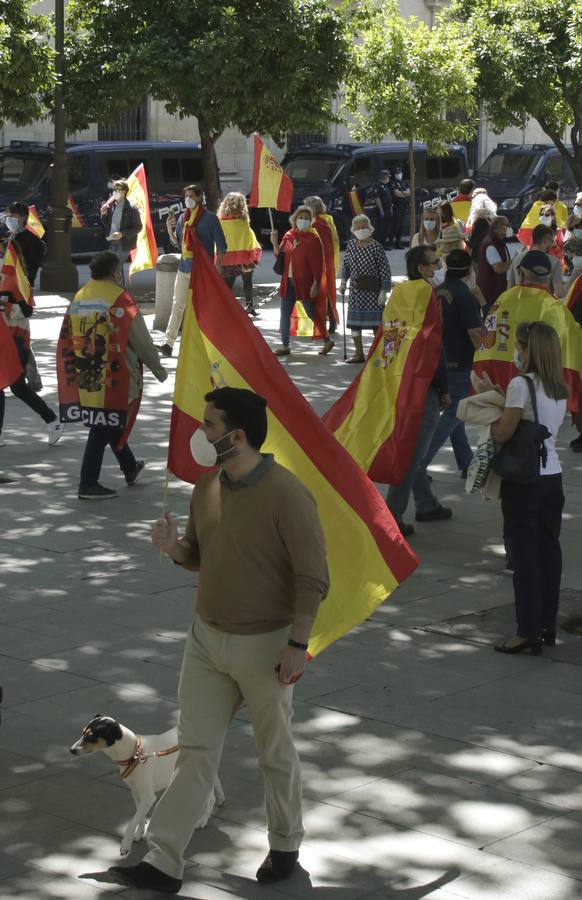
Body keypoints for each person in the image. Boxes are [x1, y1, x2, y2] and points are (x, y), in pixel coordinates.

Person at [110, 387, 329, 894]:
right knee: (194, 750)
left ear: (237, 436)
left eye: (209, 425)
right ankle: (164, 861)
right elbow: (199, 554)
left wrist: (298, 644)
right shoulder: (205, 487)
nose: (200, 432)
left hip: (267, 647)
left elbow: (312, 577)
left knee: (275, 750)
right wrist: (174, 547)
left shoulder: (288, 494)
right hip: (206, 640)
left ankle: (285, 845)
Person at [57, 251, 167, 499]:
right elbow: (141, 340)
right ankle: (88, 482)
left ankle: (130, 468)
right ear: (115, 271)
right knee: (102, 425)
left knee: (108, 421)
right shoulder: (119, 298)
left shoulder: (80, 295)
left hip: (87, 371)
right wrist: (158, 369)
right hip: (116, 375)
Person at [492, 322, 567, 655]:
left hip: (525, 479)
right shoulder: (557, 386)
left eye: (520, 346)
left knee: (524, 555)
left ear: (528, 350)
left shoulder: (520, 385)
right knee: (549, 552)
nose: (517, 352)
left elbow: (504, 432)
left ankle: (527, 630)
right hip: (553, 476)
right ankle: (547, 624)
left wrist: (492, 418)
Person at [385, 245, 450, 536]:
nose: (439, 266)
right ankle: (391, 515)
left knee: (416, 450)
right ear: (423, 269)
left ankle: (425, 503)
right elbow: (434, 347)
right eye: (435, 262)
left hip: (400, 380)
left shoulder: (399, 294)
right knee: (413, 455)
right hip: (423, 386)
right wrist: (443, 387)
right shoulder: (428, 296)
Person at [414, 249, 482, 492]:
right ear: (469, 271)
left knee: (457, 415)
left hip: (441, 357)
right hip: (461, 360)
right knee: (455, 412)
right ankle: (420, 463)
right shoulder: (464, 295)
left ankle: (467, 463)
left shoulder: (439, 290)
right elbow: (475, 333)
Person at [0, 241, 64, 448]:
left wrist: (6, 308)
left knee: (17, 387)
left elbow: (26, 311)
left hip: (15, 338)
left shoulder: (16, 279)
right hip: (5, 339)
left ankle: (52, 419)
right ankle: (51, 419)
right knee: (10, 386)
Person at [157, 184, 227, 357]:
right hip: (184, 267)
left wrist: (217, 267)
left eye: (191, 195)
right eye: (186, 195)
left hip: (203, 270)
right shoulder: (183, 218)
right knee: (177, 304)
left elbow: (222, 245)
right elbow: (178, 243)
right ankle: (168, 343)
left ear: (198, 197)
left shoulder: (210, 219)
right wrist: (169, 230)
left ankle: (211, 344)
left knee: (204, 307)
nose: (187, 198)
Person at [271, 205, 333, 357]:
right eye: (301, 217)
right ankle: (285, 346)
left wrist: (316, 283)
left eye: (307, 218)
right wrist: (274, 242)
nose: (303, 220)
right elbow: (281, 257)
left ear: (311, 220)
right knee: (284, 313)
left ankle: (327, 340)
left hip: (306, 283)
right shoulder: (289, 235)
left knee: (311, 312)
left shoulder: (313, 239)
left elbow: (318, 265)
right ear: (295, 219)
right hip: (288, 281)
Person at [339, 214, 391, 363]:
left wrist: (384, 291)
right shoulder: (351, 245)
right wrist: (343, 282)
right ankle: (359, 354)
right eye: (358, 227)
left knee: (377, 325)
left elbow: (385, 270)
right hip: (356, 292)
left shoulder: (376, 247)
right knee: (354, 324)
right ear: (353, 229)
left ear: (370, 228)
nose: (361, 230)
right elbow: (346, 265)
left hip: (373, 292)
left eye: (364, 227)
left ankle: (382, 354)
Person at [217, 192, 261, 317]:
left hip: (226, 259)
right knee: (247, 282)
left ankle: (226, 309)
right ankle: (249, 305)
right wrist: (253, 257)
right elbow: (249, 239)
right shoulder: (243, 222)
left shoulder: (220, 222)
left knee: (227, 286)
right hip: (244, 259)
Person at [303, 196, 341, 334]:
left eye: (306, 206)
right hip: (328, 261)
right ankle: (330, 321)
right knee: (327, 291)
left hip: (318, 263)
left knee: (318, 293)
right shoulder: (327, 220)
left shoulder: (317, 224)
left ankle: (323, 322)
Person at [100, 179, 142, 287]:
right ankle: (120, 294)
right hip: (111, 242)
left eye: (117, 190)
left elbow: (138, 227)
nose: (114, 192)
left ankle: (120, 294)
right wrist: (104, 214)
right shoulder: (112, 206)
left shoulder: (131, 208)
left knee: (115, 269)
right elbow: (106, 224)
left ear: (124, 192)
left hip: (123, 244)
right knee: (114, 270)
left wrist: (122, 234)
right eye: (114, 189)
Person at [508, 224, 566, 298]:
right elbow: (559, 293)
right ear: (545, 242)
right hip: (542, 306)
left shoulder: (517, 258)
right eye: (552, 241)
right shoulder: (554, 261)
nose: (552, 244)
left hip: (520, 305)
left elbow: (510, 289)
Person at [1, 202, 46, 285]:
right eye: (8, 216)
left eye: (13, 216)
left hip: (20, 285)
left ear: (23, 217)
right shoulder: (7, 236)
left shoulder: (32, 240)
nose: (9, 219)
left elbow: (31, 268)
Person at [477, 216, 513, 312]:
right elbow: (498, 268)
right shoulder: (491, 244)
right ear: (498, 228)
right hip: (491, 293)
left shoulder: (497, 242)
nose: (509, 228)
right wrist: (514, 261)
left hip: (496, 292)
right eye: (507, 225)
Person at [368, 169, 393, 249]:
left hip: (388, 209)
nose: (389, 178)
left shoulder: (386, 185)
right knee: (380, 228)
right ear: (384, 176)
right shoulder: (377, 185)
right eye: (387, 176)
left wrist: (391, 208)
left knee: (387, 228)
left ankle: (383, 244)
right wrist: (381, 210)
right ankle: (377, 244)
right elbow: (377, 198)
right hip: (381, 210)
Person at [388, 165, 411, 249]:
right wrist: (404, 193)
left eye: (399, 173)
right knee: (395, 225)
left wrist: (402, 193)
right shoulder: (393, 182)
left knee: (401, 225)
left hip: (404, 206)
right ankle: (390, 243)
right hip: (396, 206)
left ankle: (398, 243)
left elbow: (409, 192)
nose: (398, 174)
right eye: (397, 173)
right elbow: (396, 193)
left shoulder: (405, 182)